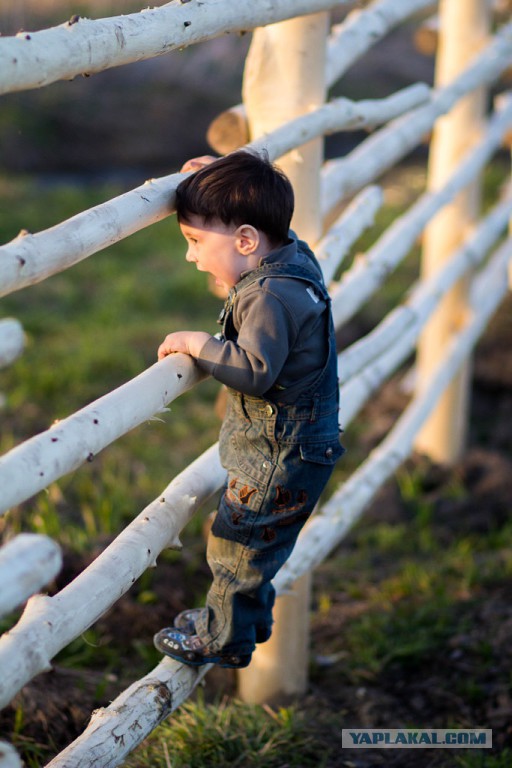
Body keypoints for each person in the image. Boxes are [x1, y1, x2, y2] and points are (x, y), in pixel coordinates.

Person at [153, 150, 344, 668]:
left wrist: (199, 343)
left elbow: (255, 369)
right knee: (259, 543)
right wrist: (217, 175)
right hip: (301, 442)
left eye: (195, 242)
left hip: (278, 450)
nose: (191, 257)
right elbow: (276, 230)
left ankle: (223, 639)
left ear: (245, 240)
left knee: (238, 546)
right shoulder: (293, 259)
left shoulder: (270, 296)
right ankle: (246, 622)